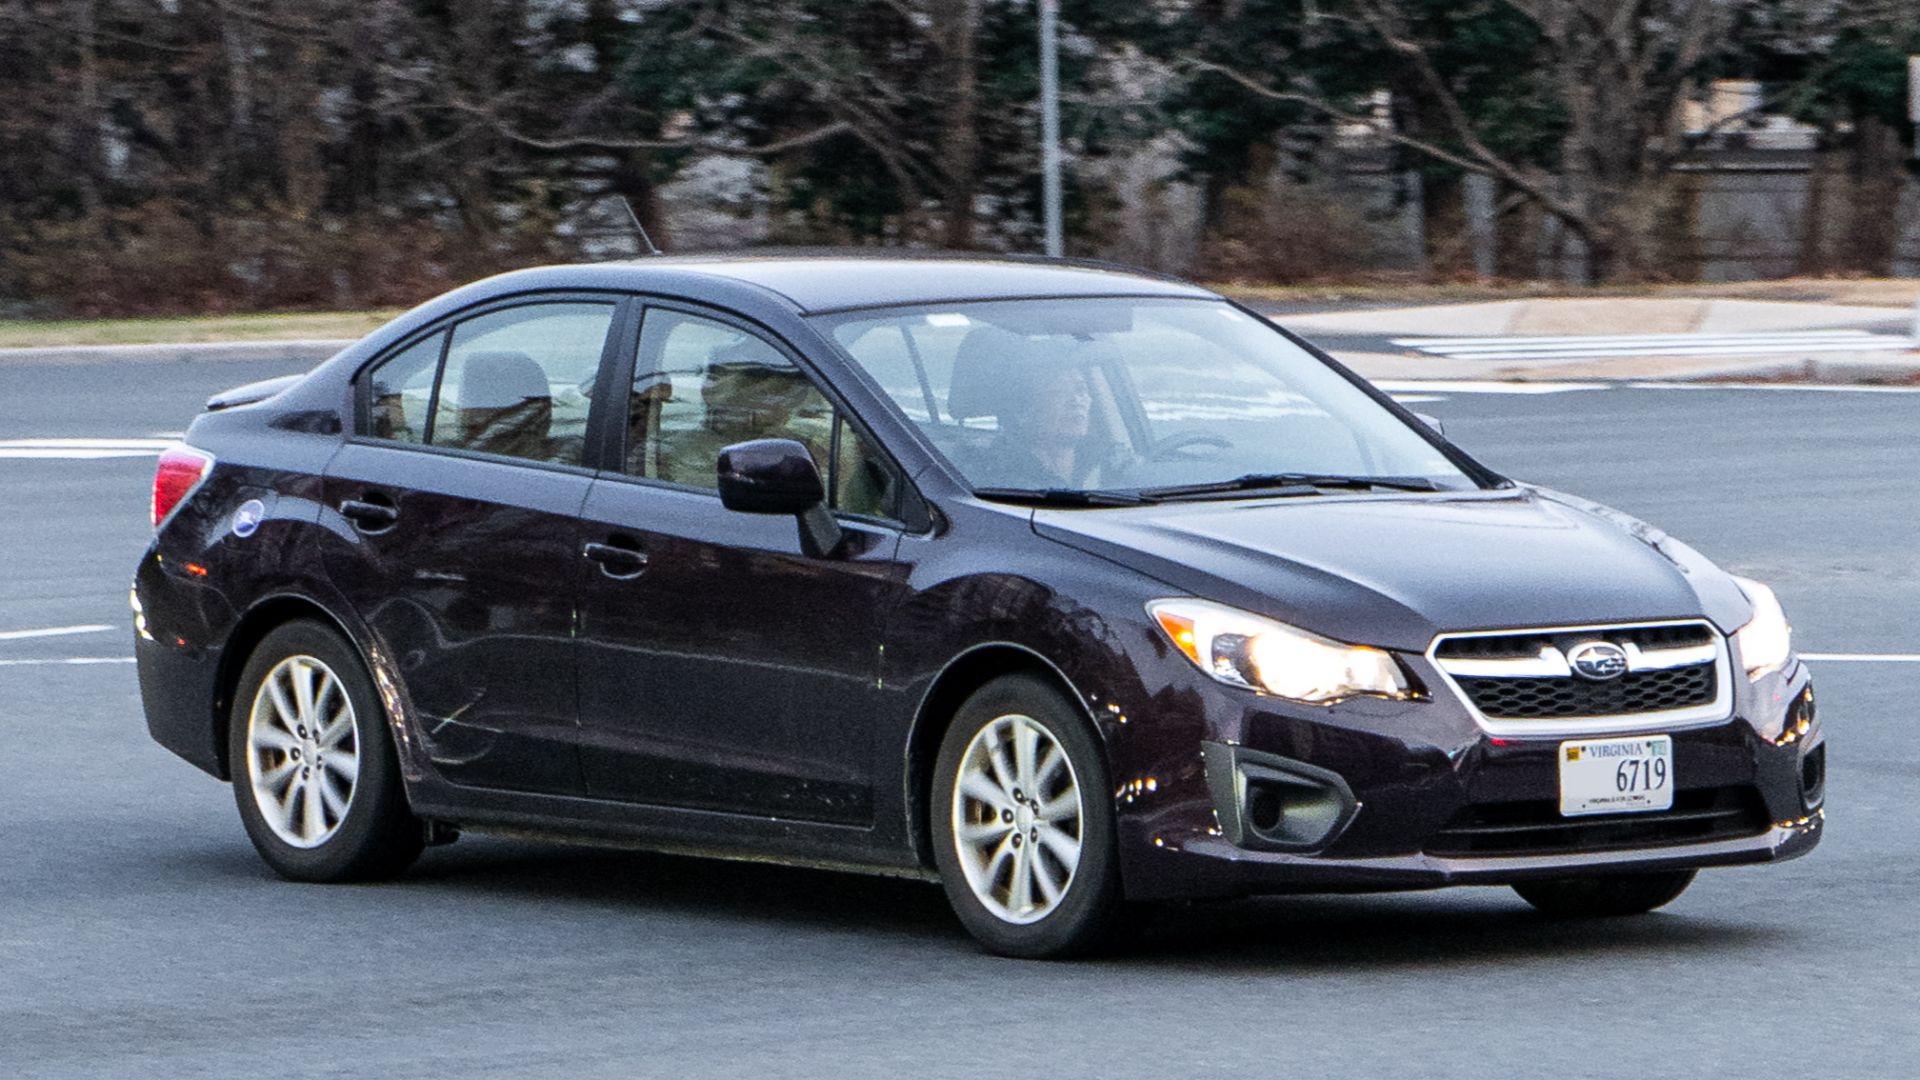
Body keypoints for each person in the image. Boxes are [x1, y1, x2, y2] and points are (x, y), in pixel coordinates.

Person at [980, 361, 1097, 488]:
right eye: (1057, 392)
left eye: (1081, 389)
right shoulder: (996, 473)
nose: (1076, 400)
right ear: (1023, 413)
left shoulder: (1109, 462)